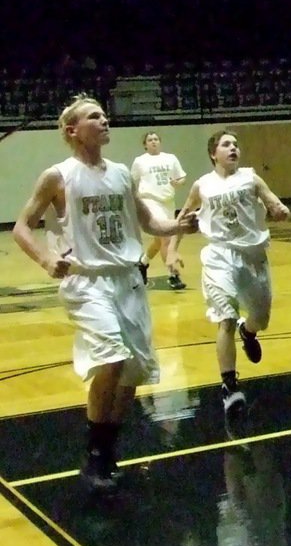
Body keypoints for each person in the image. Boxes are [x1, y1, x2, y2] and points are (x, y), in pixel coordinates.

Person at [11, 96, 199, 494]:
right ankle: (93, 456)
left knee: (132, 373)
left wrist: (178, 225)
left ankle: (108, 450)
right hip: (87, 281)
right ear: (72, 130)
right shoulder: (58, 176)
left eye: (104, 114)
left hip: (127, 279)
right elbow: (22, 227)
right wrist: (46, 261)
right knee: (110, 358)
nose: (104, 119)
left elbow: (148, 221)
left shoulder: (120, 174)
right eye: (94, 115)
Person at [169, 130, 291, 418]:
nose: (233, 148)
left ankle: (248, 332)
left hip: (254, 256)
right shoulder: (202, 185)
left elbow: (272, 200)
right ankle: (229, 385)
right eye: (226, 145)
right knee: (224, 317)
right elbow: (183, 218)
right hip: (219, 255)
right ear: (214, 153)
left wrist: (279, 208)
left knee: (260, 318)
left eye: (236, 144)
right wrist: (172, 251)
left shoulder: (251, 177)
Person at [131, 131, 188, 289]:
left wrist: (178, 183)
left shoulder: (170, 158)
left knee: (158, 240)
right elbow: (132, 182)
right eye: (150, 140)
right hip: (150, 200)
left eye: (156, 139)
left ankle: (143, 263)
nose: (153, 142)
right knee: (166, 238)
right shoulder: (140, 161)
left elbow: (182, 177)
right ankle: (173, 275)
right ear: (145, 144)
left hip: (168, 201)